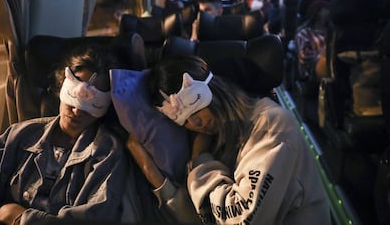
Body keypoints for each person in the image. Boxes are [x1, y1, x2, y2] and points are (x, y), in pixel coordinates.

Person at [136, 54, 331, 224]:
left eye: (194, 106)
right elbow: (203, 216)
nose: (195, 123)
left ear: (212, 87)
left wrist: (199, 162)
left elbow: (241, 218)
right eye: (184, 120)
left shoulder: (272, 128)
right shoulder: (221, 138)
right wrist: (152, 172)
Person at [0, 46, 139, 225]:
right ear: (62, 84)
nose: (77, 110)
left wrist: (20, 218)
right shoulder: (17, 136)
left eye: (93, 102)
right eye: (73, 96)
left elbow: (94, 216)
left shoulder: (106, 153)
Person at [294, 0, 330, 82]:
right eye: (326, 10)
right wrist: (323, 54)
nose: (329, 13)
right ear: (318, 13)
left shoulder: (331, 31)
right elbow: (304, 56)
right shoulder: (304, 34)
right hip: (311, 73)